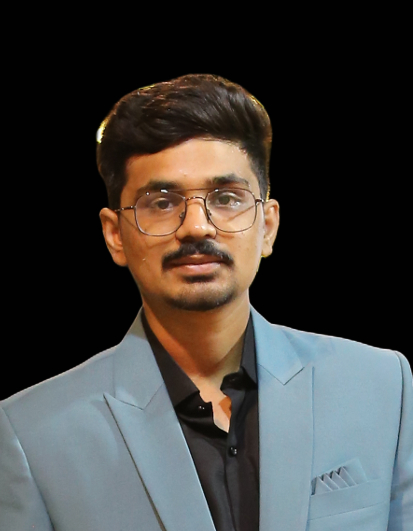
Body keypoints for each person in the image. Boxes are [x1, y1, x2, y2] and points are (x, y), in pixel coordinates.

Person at [0, 74, 411, 531]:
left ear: (267, 226)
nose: (196, 226)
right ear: (115, 235)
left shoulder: (381, 386)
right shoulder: (32, 434)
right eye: (161, 202)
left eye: (227, 198)